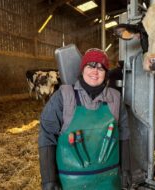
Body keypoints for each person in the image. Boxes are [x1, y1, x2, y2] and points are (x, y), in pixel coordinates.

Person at [38, 48, 131, 190]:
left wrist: (125, 170)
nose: (95, 71)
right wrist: (48, 179)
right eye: (91, 66)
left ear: (106, 74)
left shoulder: (115, 98)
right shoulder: (64, 96)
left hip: (108, 180)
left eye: (101, 68)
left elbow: (124, 134)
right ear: (82, 70)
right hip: (71, 182)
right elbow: (47, 135)